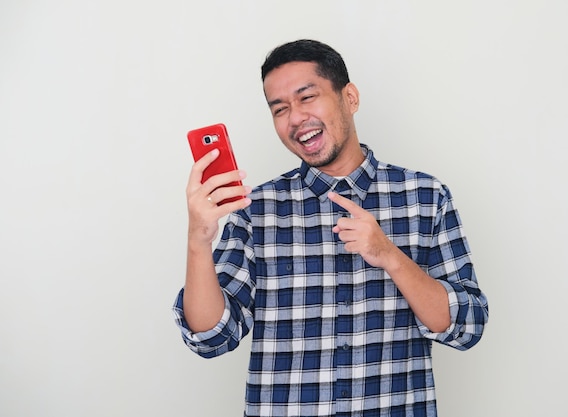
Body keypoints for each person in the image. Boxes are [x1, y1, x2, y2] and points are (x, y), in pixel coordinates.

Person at [173, 39, 489, 417]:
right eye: (280, 109)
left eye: (307, 97)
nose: (295, 118)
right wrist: (197, 241)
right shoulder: (256, 210)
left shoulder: (425, 196)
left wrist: (390, 256)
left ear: (350, 98)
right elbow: (212, 337)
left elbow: (466, 326)